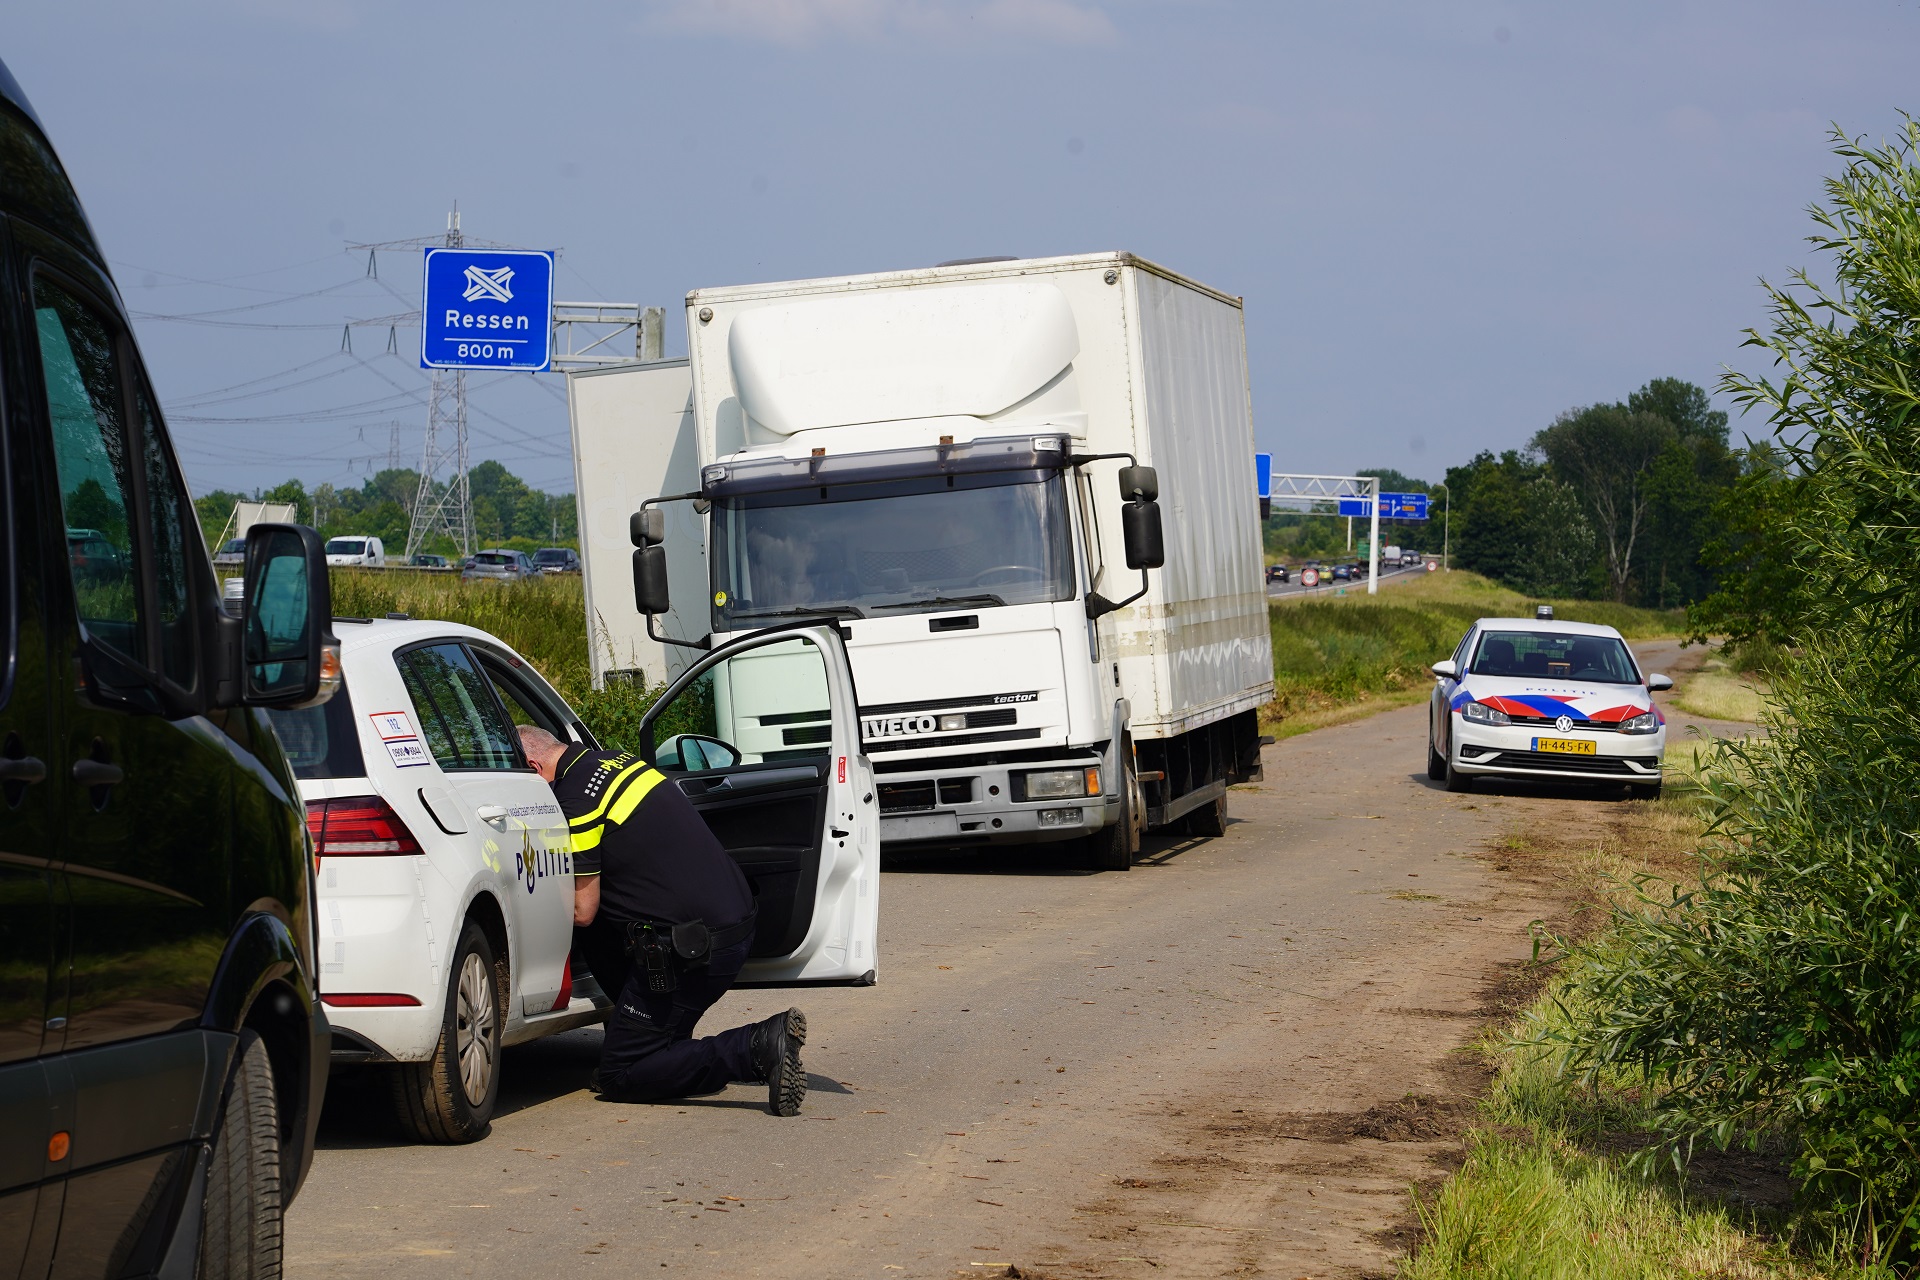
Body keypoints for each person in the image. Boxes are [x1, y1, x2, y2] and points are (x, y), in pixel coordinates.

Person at [516, 725, 808, 1116]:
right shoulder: (615, 761)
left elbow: (580, 912)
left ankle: (755, 1046)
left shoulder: (574, 801)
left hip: (690, 952)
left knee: (619, 1072)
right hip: (733, 925)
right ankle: (666, 1048)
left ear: (534, 767)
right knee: (608, 938)